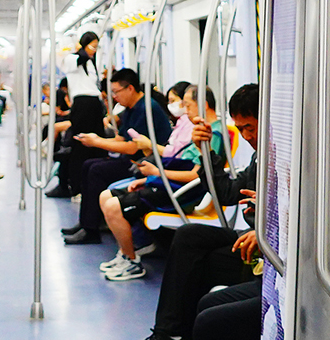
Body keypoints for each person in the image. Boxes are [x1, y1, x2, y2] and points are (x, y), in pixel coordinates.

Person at [117, 84, 261, 340]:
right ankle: (168, 338)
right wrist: (206, 151)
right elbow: (228, 192)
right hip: (249, 239)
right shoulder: (260, 158)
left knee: (197, 267)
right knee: (189, 237)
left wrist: (265, 222)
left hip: (265, 247)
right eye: (241, 129)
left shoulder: (288, 157)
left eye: (250, 128)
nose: (247, 137)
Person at [97, 85, 218, 281]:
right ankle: (125, 254)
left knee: (112, 206)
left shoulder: (212, 135)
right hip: (167, 183)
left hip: (181, 191)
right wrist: (150, 178)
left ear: (203, 105)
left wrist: (156, 173)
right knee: (105, 195)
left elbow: (197, 176)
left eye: (188, 105)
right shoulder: (196, 130)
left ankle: (132, 261)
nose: (185, 110)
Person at [60, 67, 173, 245]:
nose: (114, 97)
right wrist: (97, 139)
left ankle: (91, 229)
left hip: (144, 164)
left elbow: (130, 147)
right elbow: (121, 138)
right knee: (89, 165)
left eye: (116, 92)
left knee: (96, 170)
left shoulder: (146, 109)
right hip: (131, 160)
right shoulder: (131, 108)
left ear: (130, 88)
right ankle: (87, 223)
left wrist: (97, 143)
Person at [48, 32, 104, 198]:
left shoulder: (93, 63)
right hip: (82, 104)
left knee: (97, 143)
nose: (93, 50)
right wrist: (82, 50)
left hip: (95, 103)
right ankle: (76, 187)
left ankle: (93, 185)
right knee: (79, 145)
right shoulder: (72, 59)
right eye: (92, 46)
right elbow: (80, 59)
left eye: (96, 46)